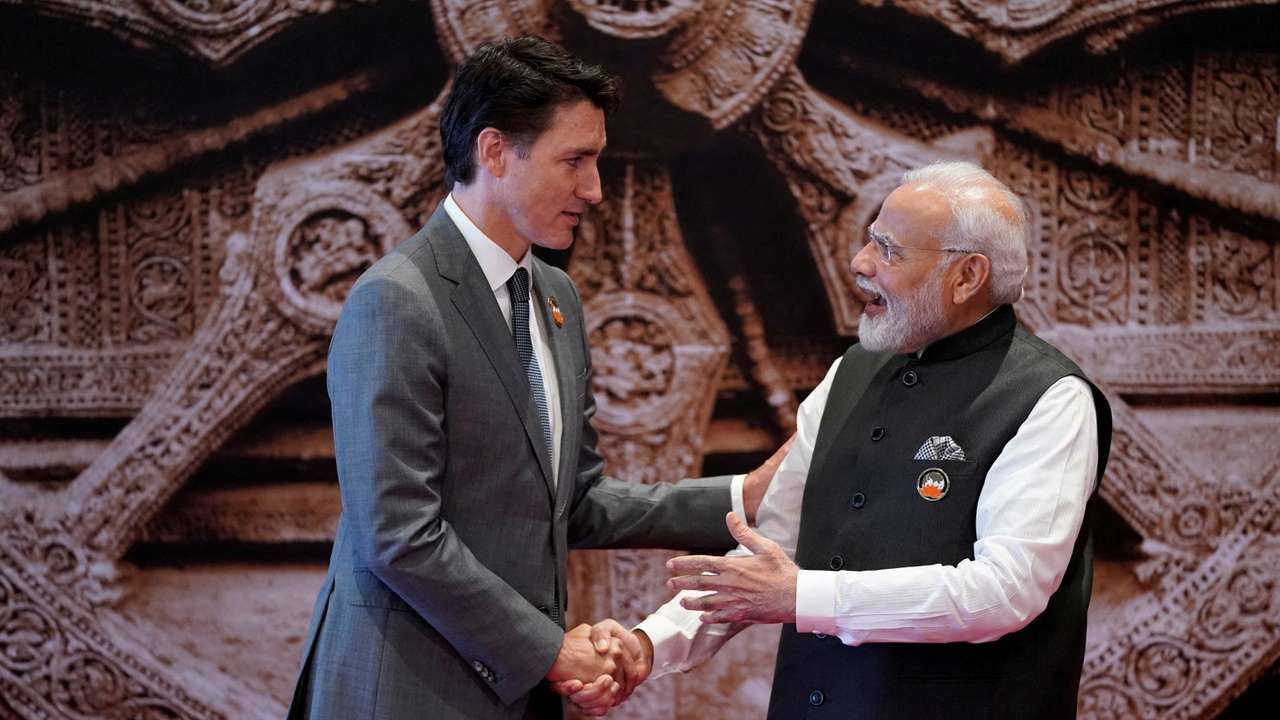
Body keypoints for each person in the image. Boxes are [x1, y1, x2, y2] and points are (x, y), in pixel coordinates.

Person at [286, 36, 777, 720]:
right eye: (574, 161)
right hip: (403, 691)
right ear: (494, 152)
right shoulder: (396, 299)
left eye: (595, 162)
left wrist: (740, 496)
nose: (594, 189)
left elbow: (573, 499)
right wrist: (551, 651)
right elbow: (397, 531)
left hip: (512, 696)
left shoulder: (554, 298)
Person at [569, 161, 1113, 718]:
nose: (860, 263)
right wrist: (647, 646)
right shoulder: (848, 373)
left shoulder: (1051, 399)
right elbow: (772, 547)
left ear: (967, 277)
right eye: (869, 241)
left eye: (890, 250)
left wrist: (803, 596)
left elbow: (1004, 592)